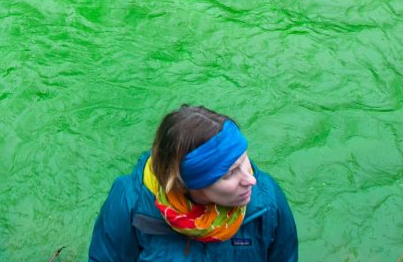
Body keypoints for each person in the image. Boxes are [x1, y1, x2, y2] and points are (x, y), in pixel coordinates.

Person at [89, 105, 298, 261]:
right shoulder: (131, 203)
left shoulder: (267, 200)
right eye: (231, 173)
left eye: (245, 161)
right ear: (188, 183)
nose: (250, 179)